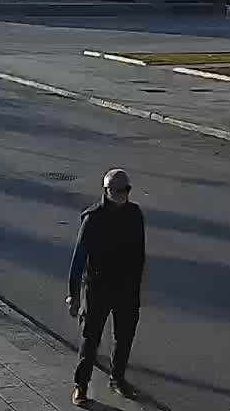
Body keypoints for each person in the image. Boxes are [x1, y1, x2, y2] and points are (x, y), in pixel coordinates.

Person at [66, 168, 145, 406]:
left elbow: (139, 254)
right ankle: (81, 386)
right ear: (107, 190)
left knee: (124, 336)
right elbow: (79, 259)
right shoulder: (93, 218)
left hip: (126, 289)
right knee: (90, 339)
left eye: (126, 190)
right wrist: (73, 295)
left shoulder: (134, 214)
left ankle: (118, 378)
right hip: (98, 288)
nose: (123, 195)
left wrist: (136, 289)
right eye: (118, 190)